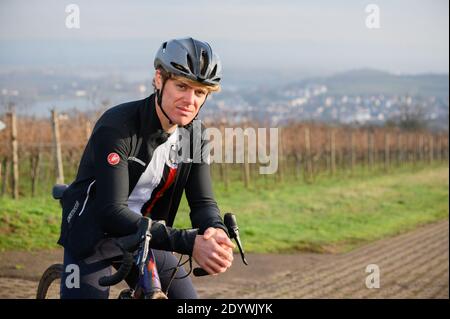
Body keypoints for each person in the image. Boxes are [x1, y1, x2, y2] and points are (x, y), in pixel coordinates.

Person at [58, 37, 235, 299]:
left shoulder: (195, 135)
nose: (190, 100)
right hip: (94, 235)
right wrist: (189, 242)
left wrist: (214, 230)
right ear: (159, 80)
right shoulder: (117, 128)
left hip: (146, 236)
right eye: (182, 86)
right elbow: (110, 212)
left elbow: (203, 202)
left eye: (200, 92)